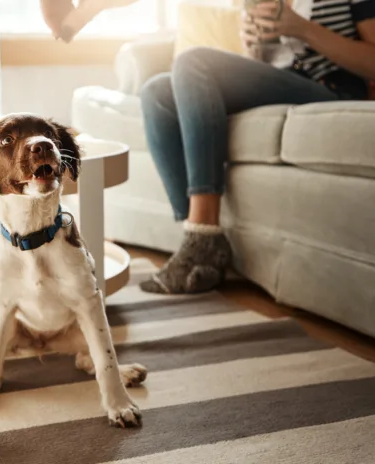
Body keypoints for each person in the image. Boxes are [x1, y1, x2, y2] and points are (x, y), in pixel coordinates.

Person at [44, 0, 375, 294]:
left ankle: (204, 236)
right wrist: (256, 41)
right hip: (282, 83)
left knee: (193, 61)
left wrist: (303, 29)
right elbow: (265, 66)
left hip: (331, 88)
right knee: (157, 92)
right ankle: (196, 240)